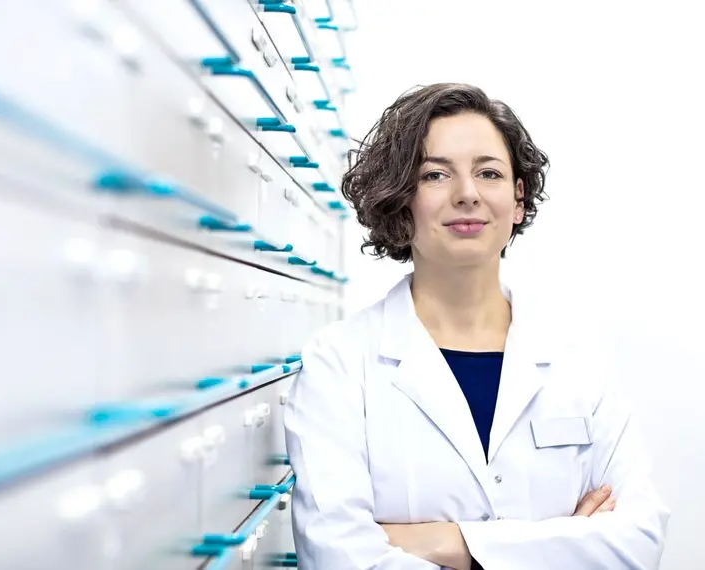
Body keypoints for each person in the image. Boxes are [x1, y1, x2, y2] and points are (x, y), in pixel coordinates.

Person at [283, 83, 670, 570]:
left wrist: (443, 542)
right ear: (401, 201)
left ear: (518, 200)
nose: (467, 194)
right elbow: (339, 557)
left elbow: (636, 542)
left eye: (488, 173)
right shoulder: (338, 363)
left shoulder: (577, 362)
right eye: (435, 175)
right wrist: (564, 540)